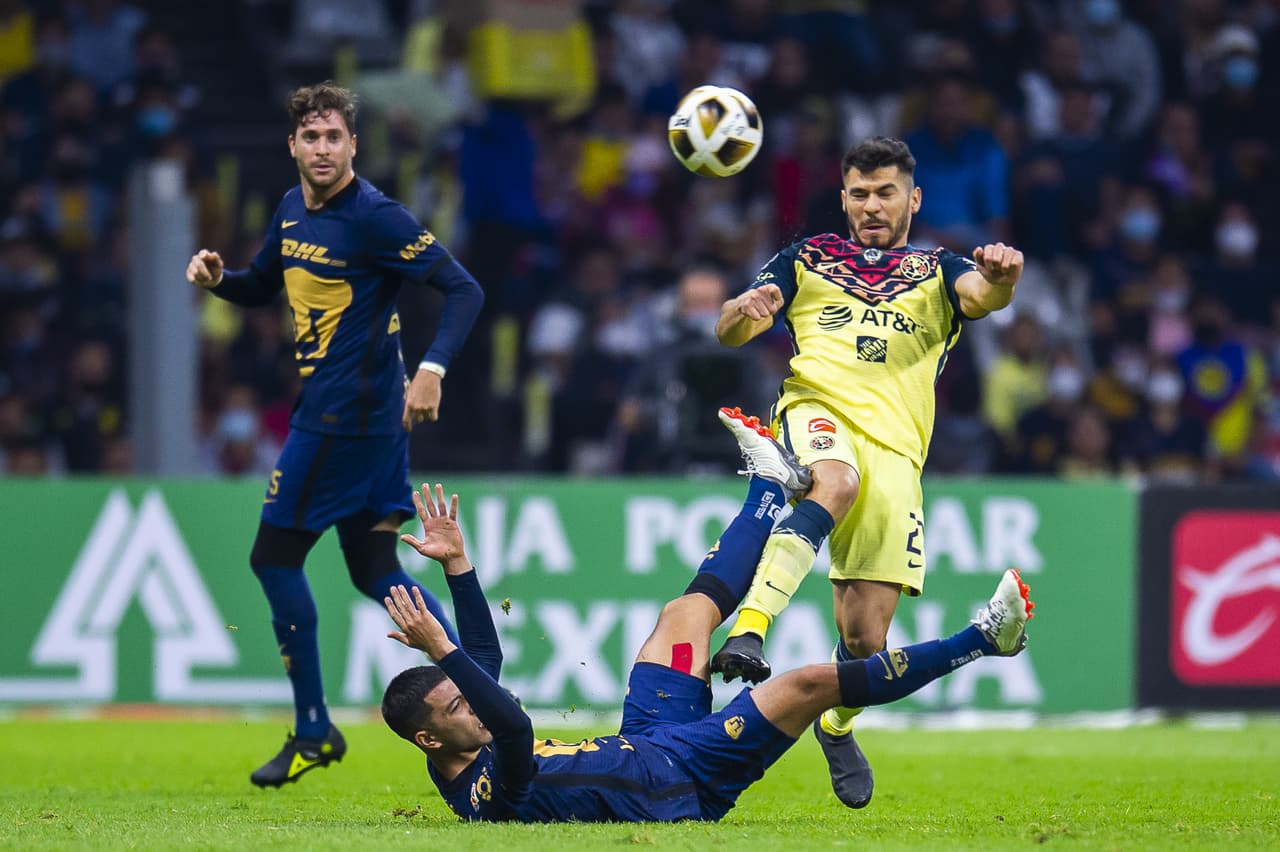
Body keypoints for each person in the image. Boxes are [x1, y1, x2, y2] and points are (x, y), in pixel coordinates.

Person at [380, 410, 1035, 822]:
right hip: (681, 778)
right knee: (807, 684)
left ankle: (767, 485)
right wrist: (441, 650)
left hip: (647, 737)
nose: (473, 705)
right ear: (430, 742)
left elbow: (485, 675)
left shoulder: (463, 741)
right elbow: (516, 726)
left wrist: (458, 570)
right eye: (458, 708)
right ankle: (983, 639)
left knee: (684, 614)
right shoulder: (484, 797)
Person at [708, 136, 1024, 809]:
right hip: (813, 411)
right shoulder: (808, 258)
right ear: (844, 196)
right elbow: (733, 328)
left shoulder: (940, 268)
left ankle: (835, 723)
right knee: (834, 481)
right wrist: (743, 312)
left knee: (865, 639)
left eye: (885, 193)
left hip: (898, 454)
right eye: (859, 192)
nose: (871, 205)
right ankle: (749, 630)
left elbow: (983, 295)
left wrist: (1001, 276)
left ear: (913, 198)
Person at [184, 82, 484, 787]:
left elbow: (464, 288)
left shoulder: (376, 218)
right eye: (311, 138)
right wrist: (221, 278)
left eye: (335, 138)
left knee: (272, 559)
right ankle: (485, 685)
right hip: (363, 426)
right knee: (376, 572)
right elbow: (265, 283)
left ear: (354, 145)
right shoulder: (292, 209)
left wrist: (434, 367)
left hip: (343, 425)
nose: (323, 149)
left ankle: (315, 728)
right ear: (293, 145)